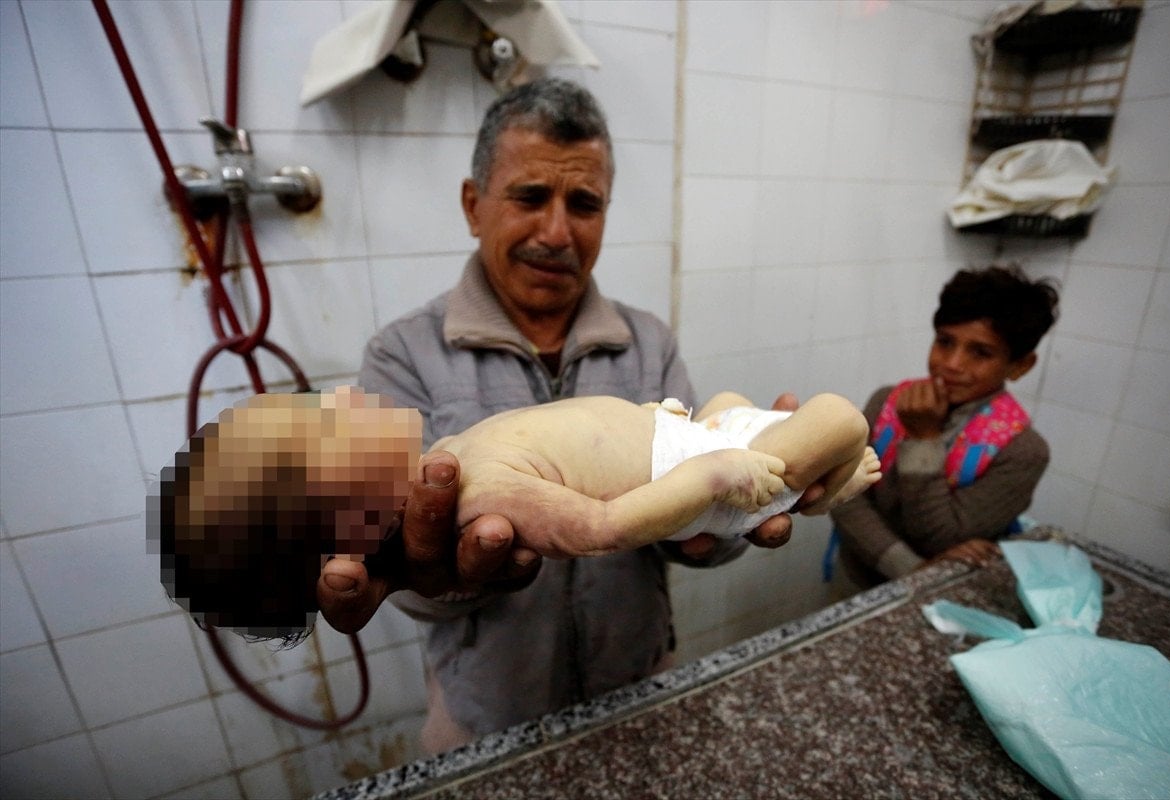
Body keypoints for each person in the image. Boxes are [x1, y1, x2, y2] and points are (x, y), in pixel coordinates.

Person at [315, 77, 807, 753]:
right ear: (474, 205)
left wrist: (732, 514)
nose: (556, 232)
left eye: (584, 204)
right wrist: (439, 574)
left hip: (639, 688)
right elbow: (402, 565)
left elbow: (702, 501)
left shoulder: (648, 343)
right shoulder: (403, 355)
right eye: (529, 197)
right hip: (488, 714)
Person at [153, 386, 879, 637]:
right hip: (716, 477)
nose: (343, 397)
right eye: (322, 428)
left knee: (731, 403)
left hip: (700, 440)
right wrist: (712, 477)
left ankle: (818, 476)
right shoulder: (475, 494)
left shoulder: (447, 457)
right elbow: (603, 529)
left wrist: (673, 434)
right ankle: (838, 483)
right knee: (841, 417)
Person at [828, 263, 1060, 592]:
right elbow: (842, 492)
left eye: (980, 352)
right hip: (861, 574)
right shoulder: (887, 403)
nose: (952, 364)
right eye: (945, 342)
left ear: (1020, 365)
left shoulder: (1023, 451)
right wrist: (912, 569)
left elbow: (941, 537)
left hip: (944, 593)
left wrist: (923, 440)